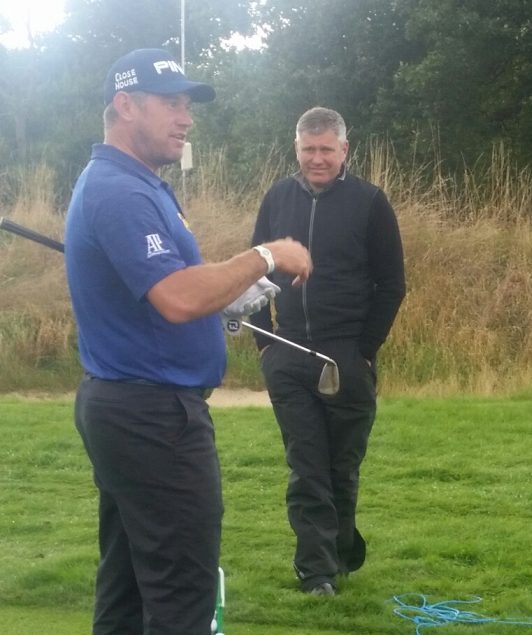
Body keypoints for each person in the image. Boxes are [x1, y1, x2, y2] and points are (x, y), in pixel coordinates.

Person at [65, 48, 313, 635]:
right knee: (181, 596)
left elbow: (189, 292)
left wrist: (245, 284)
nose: (186, 118)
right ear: (125, 105)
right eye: (170, 104)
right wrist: (266, 254)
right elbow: (177, 298)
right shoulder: (120, 191)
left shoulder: (135, 185)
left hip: (129, 408)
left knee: (126, 586)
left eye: (187, 105)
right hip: (153, 418)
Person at [249, 106, 406, 596]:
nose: (317, 159)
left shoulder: (369, 202)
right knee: (306, 464)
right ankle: (315, 571)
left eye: (326, 150)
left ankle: (339, 554)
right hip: (288, 350)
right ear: (296, 149)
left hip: (347, 356)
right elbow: (253, 271)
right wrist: (264, 342)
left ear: (344, 150)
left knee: (342, 465)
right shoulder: (277, 198)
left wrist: (363, 350)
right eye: (308, 149)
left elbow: (391, 284)